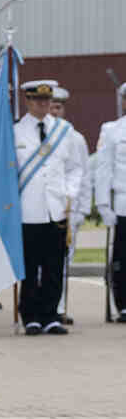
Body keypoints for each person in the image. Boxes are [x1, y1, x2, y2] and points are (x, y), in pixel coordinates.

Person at [13, 79, 82, 334]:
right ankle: (30, 316)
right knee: (30, 267)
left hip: (56, 208)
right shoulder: (15, 131)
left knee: (54, 265)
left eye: (47, 100)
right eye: (37, 100)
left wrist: (69, 193)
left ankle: (51, 314)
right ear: (28, 101)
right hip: (27, 208)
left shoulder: (65, 130)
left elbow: (75, 168)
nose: (43, 105)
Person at [49, 85, 90, 326]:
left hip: (68, 209)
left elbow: (83, 176)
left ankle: (60, 307)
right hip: (42, 210)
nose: (54, 110)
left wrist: (82, 209)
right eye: (51, 105)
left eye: (58, 106)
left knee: (63, 263)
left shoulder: (75, 139)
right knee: (42, 263)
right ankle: (42, 306)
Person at [96, 84, 126, 317]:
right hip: (123, 202)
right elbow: (103, 169)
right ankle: (123, 303)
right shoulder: (112, 130)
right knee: (122, 257)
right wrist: (103, 204)